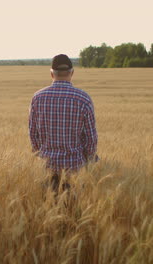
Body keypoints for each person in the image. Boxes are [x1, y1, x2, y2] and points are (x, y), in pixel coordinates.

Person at [29, 54, 98, 195]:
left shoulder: (37, 98)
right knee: (75, 212)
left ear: (51, 74)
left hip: (46, 168)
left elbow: (33, 135)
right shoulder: (83, 98)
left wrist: (41, 155)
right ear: (72, 73)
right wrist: (87, 161)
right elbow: (91, 140)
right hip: (75, 170)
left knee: (48, 210)